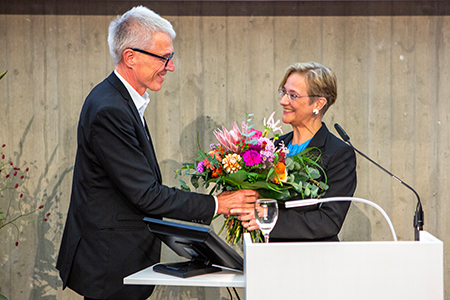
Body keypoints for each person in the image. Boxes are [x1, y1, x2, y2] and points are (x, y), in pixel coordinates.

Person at [56, 6, 258, 300]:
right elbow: (146, 195)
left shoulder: (120, 100)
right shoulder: (110, 109)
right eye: (164, 57)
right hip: (109, 264)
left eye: (170, 57)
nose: (171, 66)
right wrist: (219, 204)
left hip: (117, 259)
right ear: (130, 57)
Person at [238, 62, 357, 242]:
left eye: (293, 95)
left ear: (318, 103)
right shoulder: (271, 147)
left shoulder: (338, 154)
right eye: (283, 92)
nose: (283, 101)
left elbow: (328, 221)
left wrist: (267, 219)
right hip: (268, 254)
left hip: (312, 260)